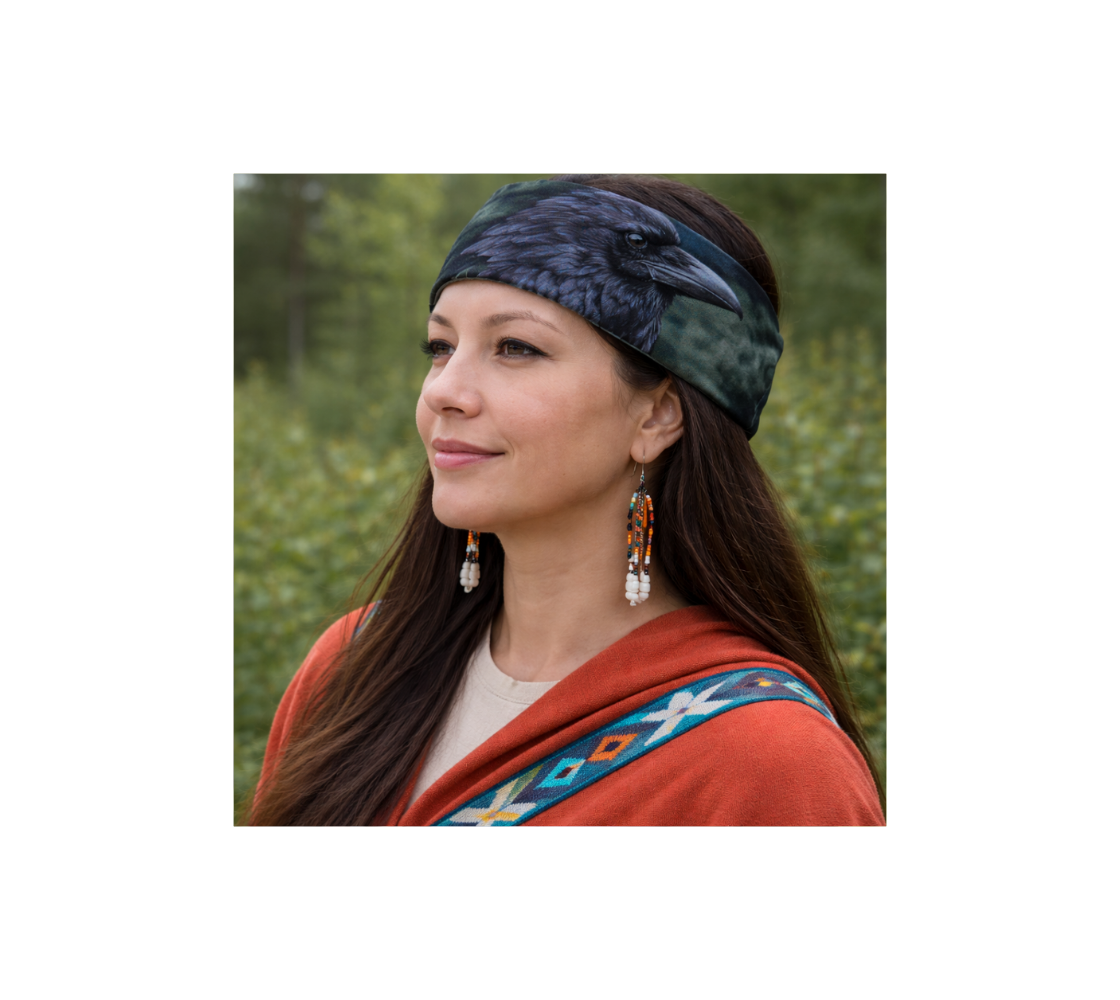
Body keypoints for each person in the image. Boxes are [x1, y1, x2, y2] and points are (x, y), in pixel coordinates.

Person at [249, 174, 886, 827]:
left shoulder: (770, 765)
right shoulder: (353, 665)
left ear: (658, 417)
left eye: (516, 348)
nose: (444, 391)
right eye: (441, 347)